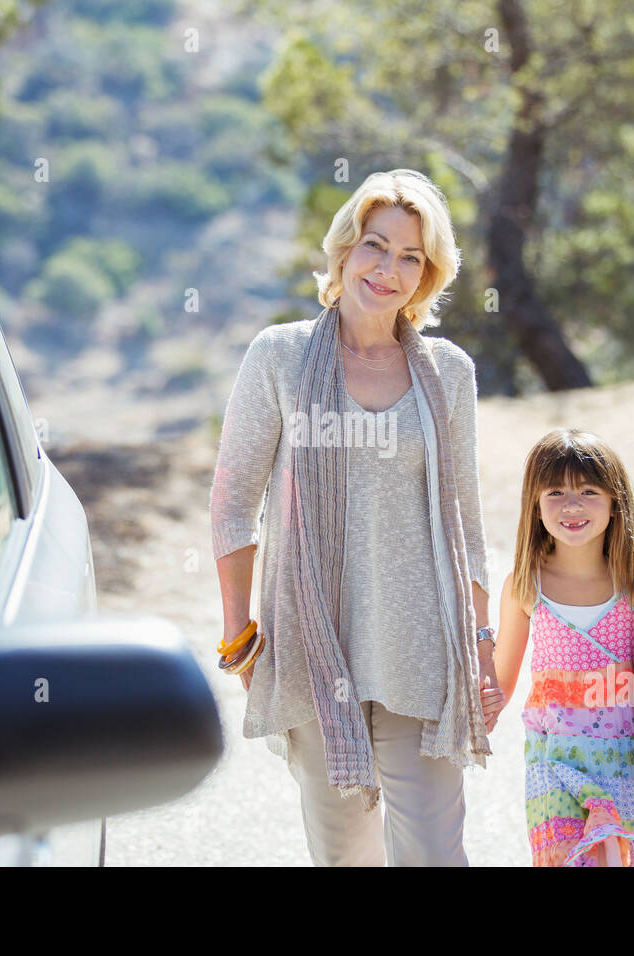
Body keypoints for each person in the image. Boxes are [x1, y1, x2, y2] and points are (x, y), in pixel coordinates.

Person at [209, 169, 494, 867]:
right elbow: (233, 500)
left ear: (428, 275)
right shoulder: (278, 357)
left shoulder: (448, 372)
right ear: (345, 249)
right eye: (376, 245)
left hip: (422, 650)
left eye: (410, 257)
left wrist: (481, 642)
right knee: (345, 859)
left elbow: (467, 521)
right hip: (312, 649)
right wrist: (239, 632)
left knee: (433, 852)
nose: (388, 269)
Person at [483, 428, 634, 866]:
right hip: (554, 763)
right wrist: (482, 701)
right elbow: (502, 678)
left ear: (616, 502)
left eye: (589, 491)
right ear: (534, 505)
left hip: (631, 758)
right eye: (555, 492)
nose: (571, 506)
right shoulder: (524, 582)